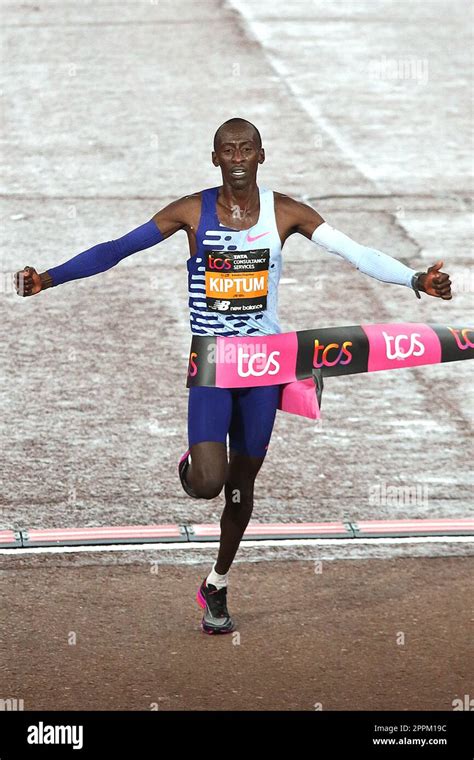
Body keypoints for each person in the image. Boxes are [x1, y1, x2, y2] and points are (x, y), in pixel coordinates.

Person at [15, 117, 452, 635]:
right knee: (208, 483)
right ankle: (196, 464)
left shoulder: (285, 212)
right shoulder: (189, 213)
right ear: (215, 157)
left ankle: (217, 585)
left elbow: (354, 252)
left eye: (247, 148)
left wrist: (414, 279)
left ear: (261, 155)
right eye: (229, 150)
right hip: (215, 362)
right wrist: (48, 277)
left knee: (241, 487)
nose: (238, 157)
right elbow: (118, 248)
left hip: (266, 365)